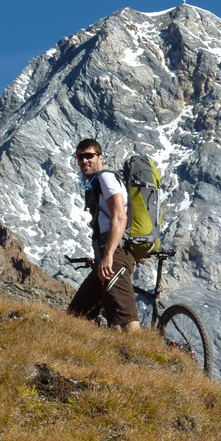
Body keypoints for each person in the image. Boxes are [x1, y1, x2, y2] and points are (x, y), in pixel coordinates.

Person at [67, 139, 141, 331]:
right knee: (77, 314)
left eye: (89, 156)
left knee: (126, 317)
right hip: (109, 255)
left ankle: (143, 350)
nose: (84, 160)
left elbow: (120, 216)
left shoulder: (106, 178)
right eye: (80, 157)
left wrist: (108, 255)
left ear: (100, 157)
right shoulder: (99, 181)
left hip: (114, 256)